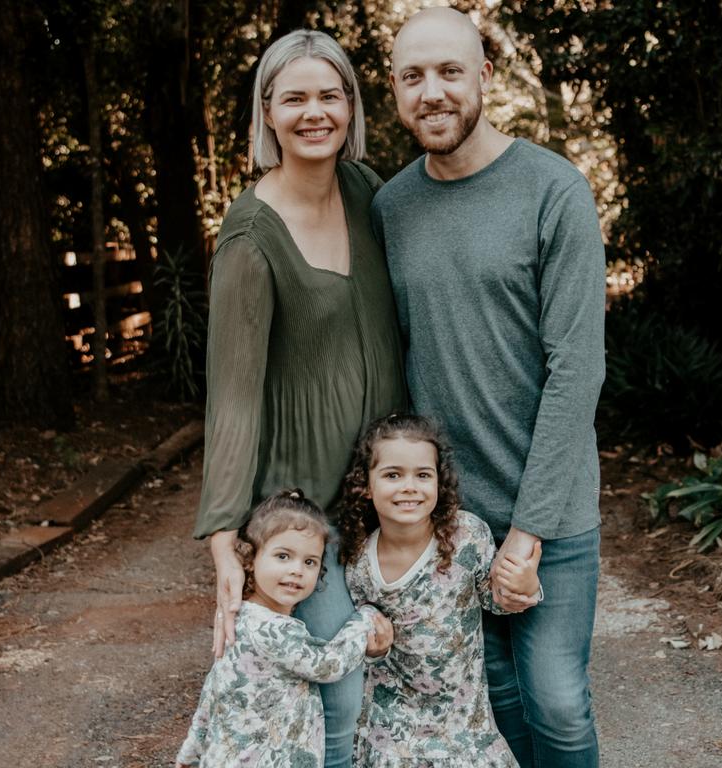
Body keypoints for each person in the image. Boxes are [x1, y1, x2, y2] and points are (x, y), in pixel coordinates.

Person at [371, 8, 606, 768]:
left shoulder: (553, 191)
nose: (431, 92)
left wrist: (528, 535)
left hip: (551, 516)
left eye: (448, 72)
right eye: (413, 77)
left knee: (559, 705)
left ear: (485, 78)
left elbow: (578, 368)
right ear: (396, 90)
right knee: (496, 705)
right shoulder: (391, 206)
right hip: (452, 524)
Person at [192, 29, 406, 768]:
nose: (315, 112)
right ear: (267, 113)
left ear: (351, 106)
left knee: (396, 678)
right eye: (295, 98)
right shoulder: (251, 235)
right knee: (336, 694)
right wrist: (226, 535)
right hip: (301, 503)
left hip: (384, 493)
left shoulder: (368, 190)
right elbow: (233, 395)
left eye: (330, 94)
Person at [338, 414, 542, 768]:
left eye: (422, 475)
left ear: (439, 482)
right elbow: (367, 644)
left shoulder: (466, 537)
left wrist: (526, 588)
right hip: (393, 732)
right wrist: (373, 646)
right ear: (366, 486)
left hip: (462, 727)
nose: (409, 487)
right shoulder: (358, 562)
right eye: (392, 475)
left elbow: (495, 600)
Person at [176, 490, 394, 768]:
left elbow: (213, 692)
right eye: (283, 556)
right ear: (250, 559)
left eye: (309, 562)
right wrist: (365, 618)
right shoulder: (272, 631)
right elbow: (326, 664)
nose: (296, 570)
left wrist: (190, 751)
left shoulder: (240, 618)